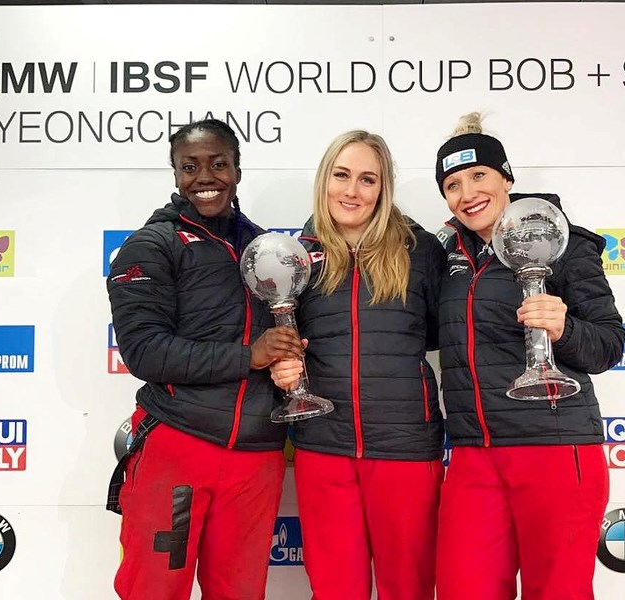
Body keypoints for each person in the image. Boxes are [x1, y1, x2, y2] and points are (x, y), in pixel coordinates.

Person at [105, 118, 305, 600]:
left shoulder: (263, 248)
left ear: (237, 169)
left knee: (240, 592)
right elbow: (144, 352)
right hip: (178, 448)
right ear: (175, 174)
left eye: (218, 164)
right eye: (189, 167)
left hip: (255, 457)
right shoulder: (151, 246)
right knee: (154, 590)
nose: (205, 177)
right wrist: (247, 357)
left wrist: (289, 360)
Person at [434, 112, 624, 600]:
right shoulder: (443, 256)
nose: (468, 192)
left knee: (557, 591)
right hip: (474, 454)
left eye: (479, 175)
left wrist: (565, 329)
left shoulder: (563, 245)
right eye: (452, 184)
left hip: (555, 448)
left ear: (507, 178)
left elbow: (609, 344)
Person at [271, 130, 446, 600]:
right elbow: (275, 339)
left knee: (407, 588)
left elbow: (440, 331)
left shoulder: (421, 249)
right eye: (341, 175)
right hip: (323, 446)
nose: (352, 191)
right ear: (324, 179)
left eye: (367, 179)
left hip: (406, 449)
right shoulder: (295, 257)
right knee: (334, 589)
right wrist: (280, 368)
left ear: (382, 189)